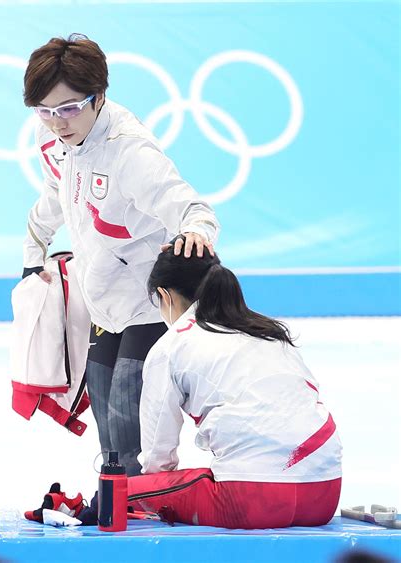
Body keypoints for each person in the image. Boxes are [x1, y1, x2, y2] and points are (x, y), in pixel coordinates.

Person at [21, 34, 219, 476]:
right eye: (45, 110)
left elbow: (193, 208)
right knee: (109, 426)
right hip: (103, 300)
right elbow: (55, 193)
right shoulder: (52, 133)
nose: (57, 122)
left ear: (99, 97)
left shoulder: (130, 152)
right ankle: (118, 504)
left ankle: (143, 509)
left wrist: (195, 231)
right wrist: (33, 248)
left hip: (150, 302)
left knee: (131, 415)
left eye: (69, 108)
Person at [125, 242, 342, 529]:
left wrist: (148, 491)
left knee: (118, 494)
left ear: (165, 295)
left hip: (252, 500)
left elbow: (157, 458)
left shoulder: (171, 346)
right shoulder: (270, 332)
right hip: (325, 495)